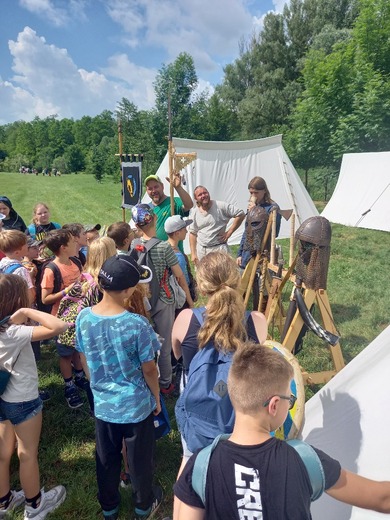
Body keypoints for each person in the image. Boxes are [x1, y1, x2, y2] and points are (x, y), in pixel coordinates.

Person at [174, 342, 390, 520]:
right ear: (274, 405)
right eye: (290, 398)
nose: (290, 403)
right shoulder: (306, 460)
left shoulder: (201, 466)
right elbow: (381, 498)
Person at [75, 255, 163, 520]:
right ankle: (143, 505)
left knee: (106, 459)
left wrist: (96, 385)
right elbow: (149, 368)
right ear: (127, 290)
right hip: (136, 406)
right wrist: (157, 397)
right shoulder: (138, 325)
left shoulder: (84, 318)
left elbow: (83, 358)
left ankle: (109, 507)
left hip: (103, 405)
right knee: (139, 462)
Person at [172, 251, 267, 471]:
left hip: (197, 401)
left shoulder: (186, 319)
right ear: (236, 280)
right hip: (241, 400)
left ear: (202, 287)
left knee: (189, 458)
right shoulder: (256, 320)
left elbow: (177, 355)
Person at [0, 274, 67, 518]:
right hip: (22, 399)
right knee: (27, 453)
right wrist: (27, 311)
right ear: (15, 300)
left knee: (2, 453)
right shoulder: (13, 331)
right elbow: (59, 327)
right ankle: (35, 504)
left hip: (1, 398)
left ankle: (4, 501)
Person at [131, 204, 193, 395]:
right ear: (154, 220)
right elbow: (179, 276)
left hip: (142, 300)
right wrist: (190, 302)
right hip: (164, 299)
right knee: (164, 345)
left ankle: (145, 377)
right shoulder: (164, 247)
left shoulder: (134, 246)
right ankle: (165, 382)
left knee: (143, 344)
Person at [40, 230, 83, 408]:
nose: (77, 244)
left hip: (78, 315)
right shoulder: (51, 270)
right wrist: (66, 291)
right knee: (65, 354)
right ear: (63, 248)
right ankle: (69, 385)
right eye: (73, 242)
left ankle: (79, 375)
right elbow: (45, 299)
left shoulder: (76, 262)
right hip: (61, 318)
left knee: (77, 348)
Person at [189, 186, 245, 266]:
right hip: (202, 251)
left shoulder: (220, 206)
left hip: (219, 249)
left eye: (205, 193)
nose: (203, 196)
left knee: (223, 275)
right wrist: (193, 254)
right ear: (196, 198)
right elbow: (192, 233)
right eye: (200, 195)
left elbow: (240, 214)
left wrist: (229, 232)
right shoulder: (195, 212)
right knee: (205, 277)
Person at [236, 176, 281, 270]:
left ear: (264, 191)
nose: (253, 195)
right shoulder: (252, 206)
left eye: (256, 192)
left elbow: (274, 233)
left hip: (263, 252)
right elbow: (247, 231)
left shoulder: (273, 208)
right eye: (251, 192)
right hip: (247, 253)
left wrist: (257, 211)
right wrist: (240, 253)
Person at [144, 173, 193, 252]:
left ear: (162, 186)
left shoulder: (174, 202)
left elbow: (189, 205)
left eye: (156, 187)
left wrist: (178, 188)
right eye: (150, 188)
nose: (153, 191)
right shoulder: (146, 210)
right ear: (147, 191)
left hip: (174, 255)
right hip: (155, 256)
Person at [165, 215, 194, 310]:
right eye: (184, 228)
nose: (186, 231)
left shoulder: (164, 248)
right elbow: (183, 282)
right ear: (177, 233)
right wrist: (190, 303)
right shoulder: (178, 256)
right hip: (181, 298)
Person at [0, 231, 35, 305]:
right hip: (19, 309)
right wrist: (30, 277)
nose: (27, 246)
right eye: (25, 245)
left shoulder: (2, 263)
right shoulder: (20, 270)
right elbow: (30, 297)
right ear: (17, 253)